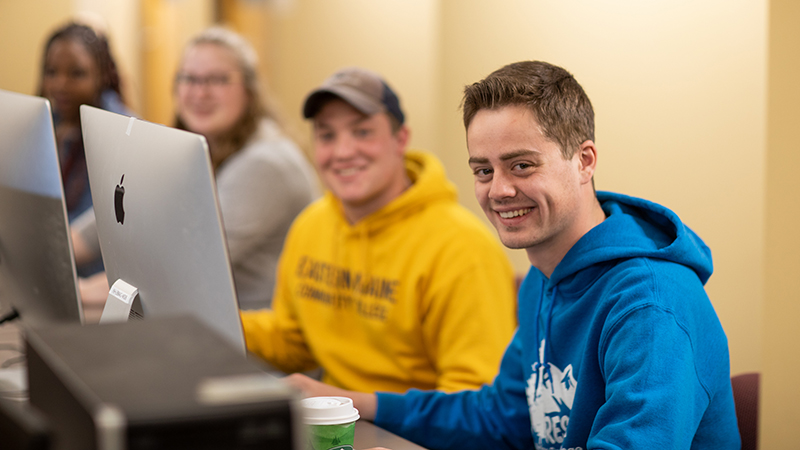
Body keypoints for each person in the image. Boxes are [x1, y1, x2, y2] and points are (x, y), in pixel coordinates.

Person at [285, 61, 740, 449]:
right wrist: (351, 400)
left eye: (522, 165)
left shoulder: (650, 306)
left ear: (584, 161)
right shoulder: (545, 278)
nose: (499, 190)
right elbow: (501, 418)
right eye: (483, 170)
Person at [240, 67, 517, 394]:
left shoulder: (463, 249)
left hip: (413, 436)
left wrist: (350, 402)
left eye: (362, 132)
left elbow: (473, 399)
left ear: (400, 139)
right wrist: (213, 318)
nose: (343, 152)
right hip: (335, 424)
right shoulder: (311, 225)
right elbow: (294, 343)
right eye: (327, 135)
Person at [72, 27, 319, 316]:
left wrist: (83, 290)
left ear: (250, 90)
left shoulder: (267, 163)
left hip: (256, 345)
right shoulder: (193, 148)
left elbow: (179, 267)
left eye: (217, 79)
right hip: (202, 328)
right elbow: (98, 227)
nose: (200, 92)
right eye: (189, 78)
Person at [38, 21, 132, 222]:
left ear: (101, 76)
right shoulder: (47, 122)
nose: (60, 84)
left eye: (76, 73)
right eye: (51, 72)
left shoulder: (124, 132)